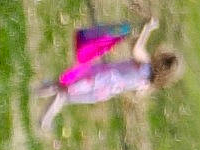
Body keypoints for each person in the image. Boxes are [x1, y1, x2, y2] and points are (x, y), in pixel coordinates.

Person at [36, 19, 183, 132]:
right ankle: (45, 111)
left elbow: (136, 48)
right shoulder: (147, 84)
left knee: (64, 89)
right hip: (103, 92)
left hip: (97, 77)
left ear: (160, 57)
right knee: (66, 95)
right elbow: (137, 95)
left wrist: (147, 29)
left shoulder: (146, 64)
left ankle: (41, 99)